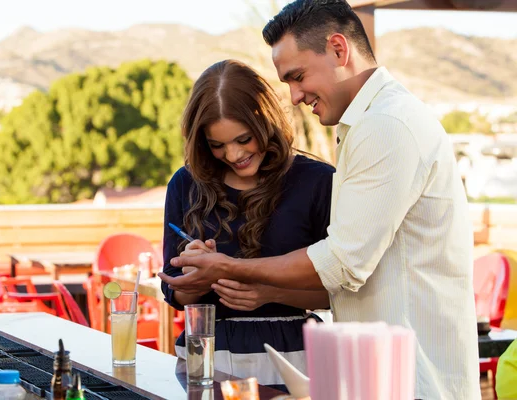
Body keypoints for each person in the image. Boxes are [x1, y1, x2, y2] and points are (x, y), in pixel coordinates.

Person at [159, 1, 480, 399]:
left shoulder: (385, 126)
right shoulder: (370, 123)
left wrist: (233, 268)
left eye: (297, 76)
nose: (293, 97)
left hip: (409, 377)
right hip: (380, 371)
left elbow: (342, 262)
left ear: (339, 50)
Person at [160, 59, 334, 390]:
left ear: (265, 123)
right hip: (206, 359)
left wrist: (270, 292)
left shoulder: (317, 182)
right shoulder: (185, 184)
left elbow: (336, 291)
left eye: (243, 139)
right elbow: (174, 293)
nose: (233, 154)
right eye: (217, 145)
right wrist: (195, 279)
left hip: (294, 359)